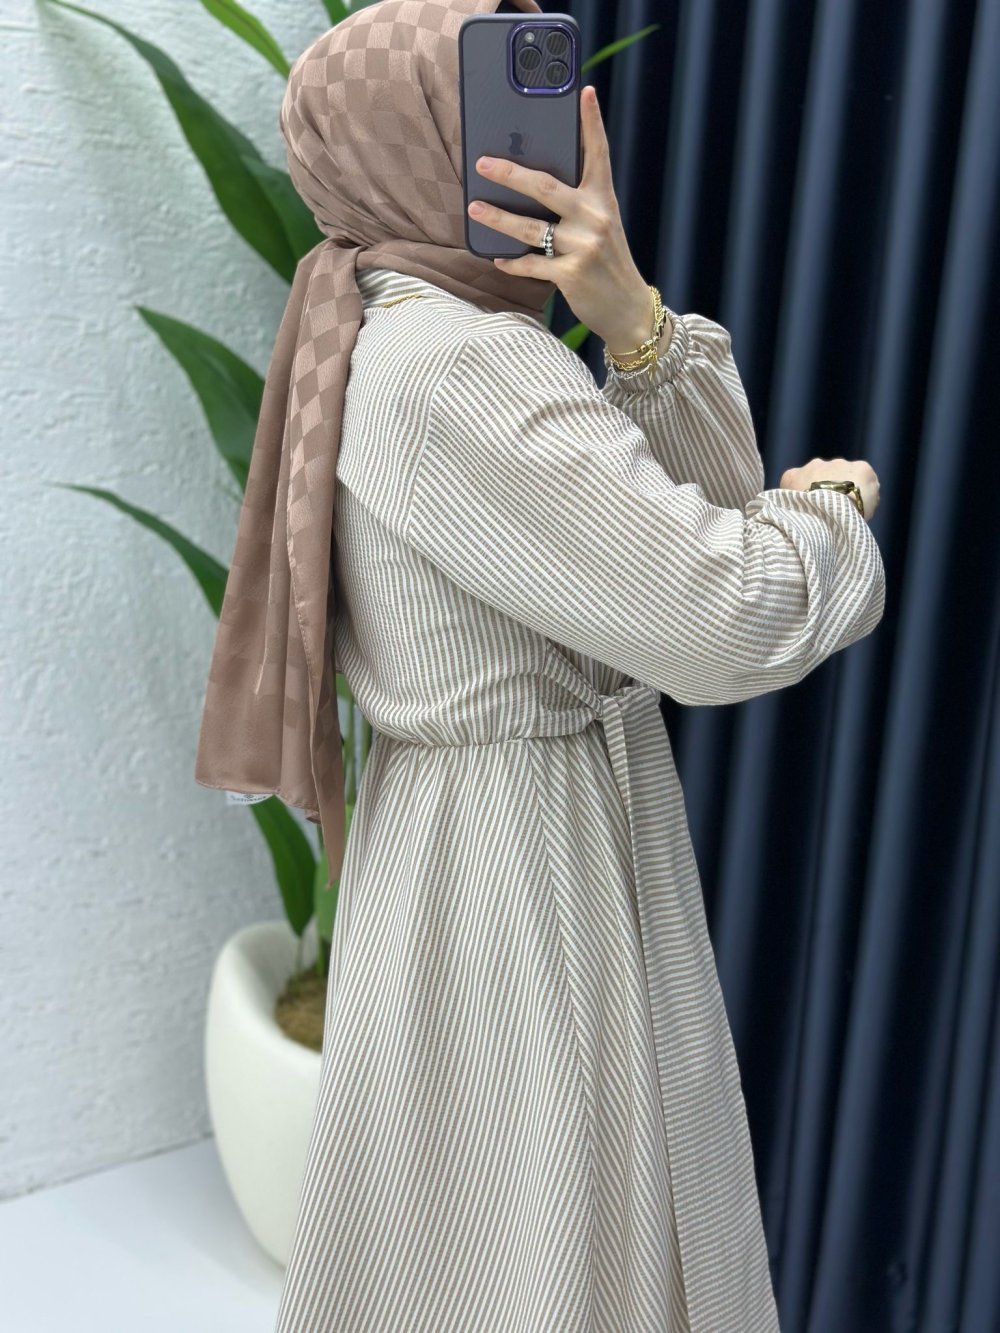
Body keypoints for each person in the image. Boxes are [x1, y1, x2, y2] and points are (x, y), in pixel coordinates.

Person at [196, 3, 885, 1330]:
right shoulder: (463, 369)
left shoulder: (395, 331)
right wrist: (833, 519)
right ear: (418, 143)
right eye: (490, 108)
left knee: (478, 1232)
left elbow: (692, 513)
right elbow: (726, 608)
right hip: (531, 861)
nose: (558, 140)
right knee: (558, 1239)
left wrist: (632, 320)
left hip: (466, 837)